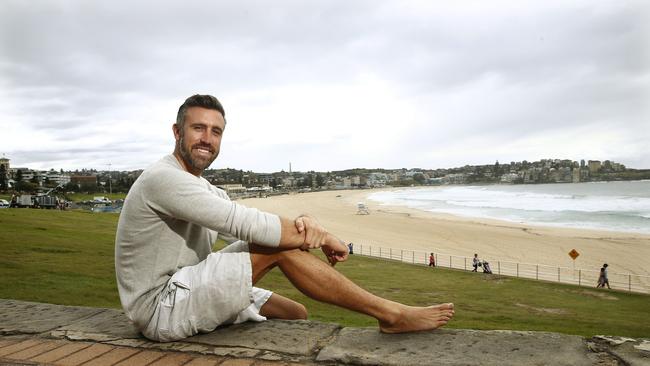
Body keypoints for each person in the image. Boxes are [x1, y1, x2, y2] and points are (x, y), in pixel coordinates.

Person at [115, 94, 454, 342]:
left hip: (187, 286)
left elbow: (249, 225)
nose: (207, 139)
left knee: (296, 313)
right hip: (161, 307)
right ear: (177, 131)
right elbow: (245, 223)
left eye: (216, 132)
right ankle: (392, 315)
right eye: (198, 128)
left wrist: (305, 221)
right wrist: (321, 236)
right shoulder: (164, 179)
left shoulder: (200, 187)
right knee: (277, 247)